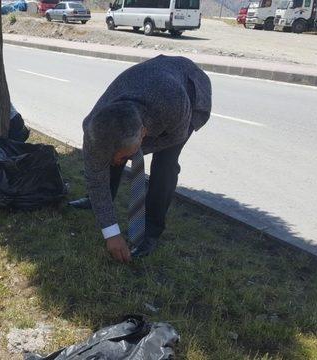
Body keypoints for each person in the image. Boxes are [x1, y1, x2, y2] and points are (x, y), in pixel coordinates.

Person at [69, 56, 212, 263]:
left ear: (144, 133)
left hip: (186, 87)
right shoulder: (93, 126)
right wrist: (112, 233)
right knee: (112, 158)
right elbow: (95, 176)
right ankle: (97, 202)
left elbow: (176, 137)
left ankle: (151, 232)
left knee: (165, 166)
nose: (120, 161)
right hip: (144, 85)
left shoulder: (174, 106)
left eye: (126, 156)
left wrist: (135, 154)